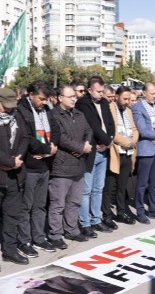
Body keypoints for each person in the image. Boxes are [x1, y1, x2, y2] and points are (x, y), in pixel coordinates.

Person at [0, 88, 30, 271]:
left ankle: (10, 250)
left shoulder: (17, 116)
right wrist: (8, 161)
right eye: (5, 106)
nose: (9, 109)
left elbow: (25, 138)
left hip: (15, 175)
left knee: (12, 216)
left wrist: (17, 160)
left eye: (11, 105)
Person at [47, 85, 93, 247]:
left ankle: (72, 229)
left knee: (74, 201)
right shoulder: (53, 115)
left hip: (78, 165)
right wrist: (81, 148)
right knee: (58, 203)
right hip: (61, 166)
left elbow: (89, 130)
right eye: (70, 96)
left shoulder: (79, 114)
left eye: (74, 96)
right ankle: (55, 234)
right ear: (60, 98)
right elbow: (61, 138)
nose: (74, 98)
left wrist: (85, 145)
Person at [16, 80, 58, 257]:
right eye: (41, 98)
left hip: (45, 164)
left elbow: (55, 129)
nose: (44, 102)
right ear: (30, 95)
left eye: (46, 99)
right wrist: (46, 149)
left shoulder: (47, 110)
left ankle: (39, 238)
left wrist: (51, 149)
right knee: (26, 206)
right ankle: (24, 241)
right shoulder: (21, 110)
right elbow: (26, 138)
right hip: (29, 166)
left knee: (40, 205)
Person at [75, 76, 115, 238]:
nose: (100, 94)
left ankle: (96, 219)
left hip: (104, 150)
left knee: (98, 188)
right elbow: (93, 126)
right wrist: (105, 141)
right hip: (92, 150)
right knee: (87, 189)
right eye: (98, 91)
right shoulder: (83, 104)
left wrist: (110, 140)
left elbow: (110, 123)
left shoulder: (104, 103)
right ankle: (85, 222)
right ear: (90, 90)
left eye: (102, 91)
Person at [131, 83, 155, 224]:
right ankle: (140, 210)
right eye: (152, 93)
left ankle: (153, 209)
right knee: (142, 183)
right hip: (146, 149)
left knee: (154, 182)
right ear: (144, 93)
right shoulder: (137, 108)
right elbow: (142, 130)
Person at [105, 86, 138, 225]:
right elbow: (111, 131)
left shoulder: (128, 111)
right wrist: (126, 142)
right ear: (116, 96)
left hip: (128, 152)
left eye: (129, 99)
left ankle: (121, 211)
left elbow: (134, 129)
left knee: (122, 186)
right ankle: (106, 214)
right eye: (124, 98)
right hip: (115, 152)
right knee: (109, 186)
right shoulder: (109, 109)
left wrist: (133, 140)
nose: (127, 101)